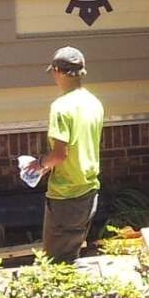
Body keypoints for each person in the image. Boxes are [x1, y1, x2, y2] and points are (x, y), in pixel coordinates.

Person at [36, 46, 104, 262]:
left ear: (58, 71)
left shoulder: (61, 107)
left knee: (57, 264)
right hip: (89, 190)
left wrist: (39, 165)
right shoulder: (94, 103)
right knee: (71, 255)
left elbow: (59, 156)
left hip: (65, 195)